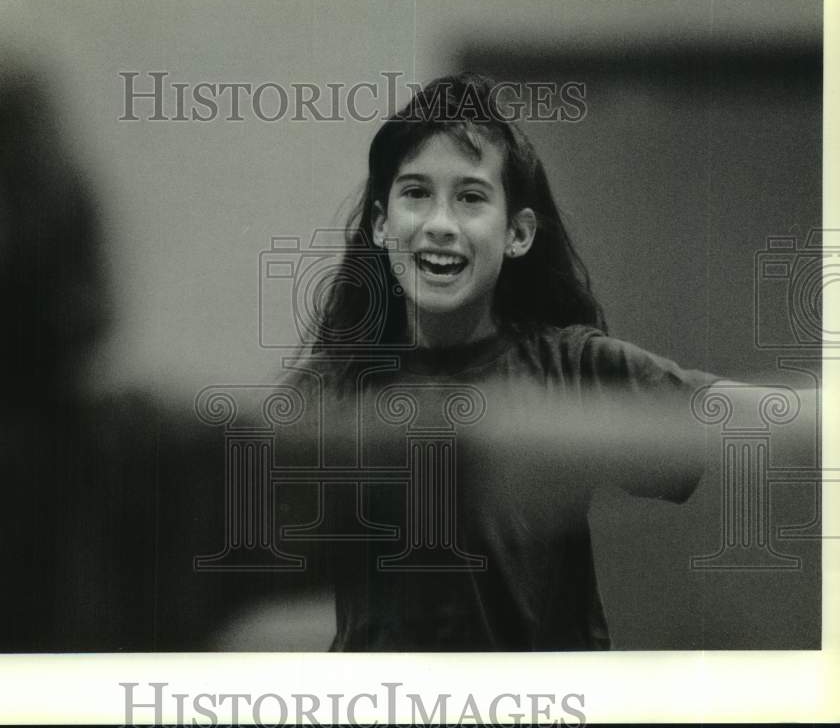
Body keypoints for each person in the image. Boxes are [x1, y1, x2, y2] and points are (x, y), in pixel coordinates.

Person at [283, 72, 720, 651]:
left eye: (470, 197)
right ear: (381, 223)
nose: (440, 223)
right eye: (416, 193)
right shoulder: (330, 388)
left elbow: (740, 415)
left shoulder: (571, 366)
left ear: (517, 232)